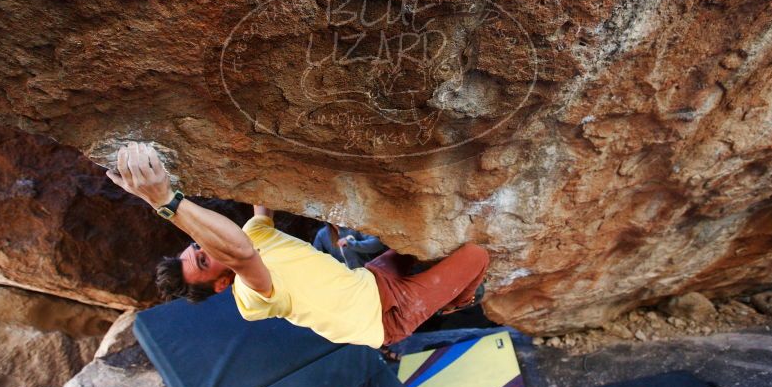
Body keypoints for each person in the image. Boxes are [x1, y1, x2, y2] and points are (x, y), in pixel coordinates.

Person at [106, 142, 489, 348]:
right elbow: (239, 253)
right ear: (221, 284)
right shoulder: (250, 296)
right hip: (387, 317)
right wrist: (165, 201)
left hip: (370, 280)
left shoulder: (252, 236)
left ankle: (446, 294)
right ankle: (460, 302)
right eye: (205, 261)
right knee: (477, 254)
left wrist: (260, 152)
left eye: (197, 248)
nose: (204, 245)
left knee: (419, 243)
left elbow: (261, 207)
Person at [312, 223, 387, 269]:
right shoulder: (322, 235)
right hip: (345, 279)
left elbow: (377, 244)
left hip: (368, 275)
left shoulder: (355, 226)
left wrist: (352, 244)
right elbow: (315, 258)